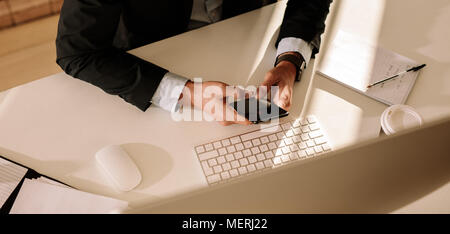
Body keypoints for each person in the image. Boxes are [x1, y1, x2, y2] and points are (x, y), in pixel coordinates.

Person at [56, 0, 332, 125]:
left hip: (246, 36)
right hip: (148, 61)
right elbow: (77, 51)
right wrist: (187, 91)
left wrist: (290, 58)